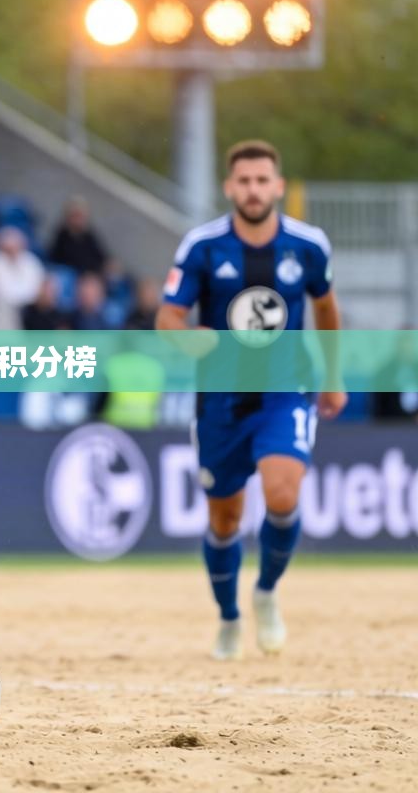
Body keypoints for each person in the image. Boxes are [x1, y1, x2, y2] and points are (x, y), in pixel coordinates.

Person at [155, 140, 345, 661]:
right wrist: (189, 339)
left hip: (286, 393)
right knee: (225, 520)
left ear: (278, 186)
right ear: (229, 187)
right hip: (219, 404)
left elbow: (327, 309)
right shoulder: (202, 246)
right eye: (245, 181)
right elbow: (168, 317)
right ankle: (229, 618)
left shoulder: (308, 245)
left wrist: (333, 376)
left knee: (283, 494)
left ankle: (265, 591)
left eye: (263, 180)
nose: (254, 190)